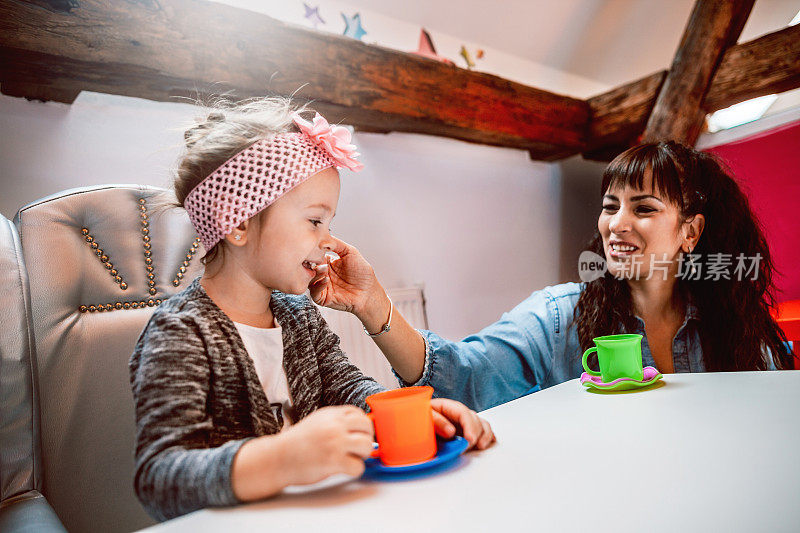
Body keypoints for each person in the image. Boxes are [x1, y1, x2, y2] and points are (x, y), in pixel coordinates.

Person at [129, 97, 495, 521]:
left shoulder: (297, 316)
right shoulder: (179, 333)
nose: (328, 240)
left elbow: (348, 390)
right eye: (314, 220)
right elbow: (159, 478)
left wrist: (406, 411)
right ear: (237, 222)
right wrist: (283, 457)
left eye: (330, 222)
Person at [310, 141, 794, 412]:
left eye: (643, 208)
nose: (616, 225)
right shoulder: (561, 315)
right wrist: (372, 303)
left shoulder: (735, 326)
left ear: (690, 231)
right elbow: (461, 380)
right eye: (610, 207)